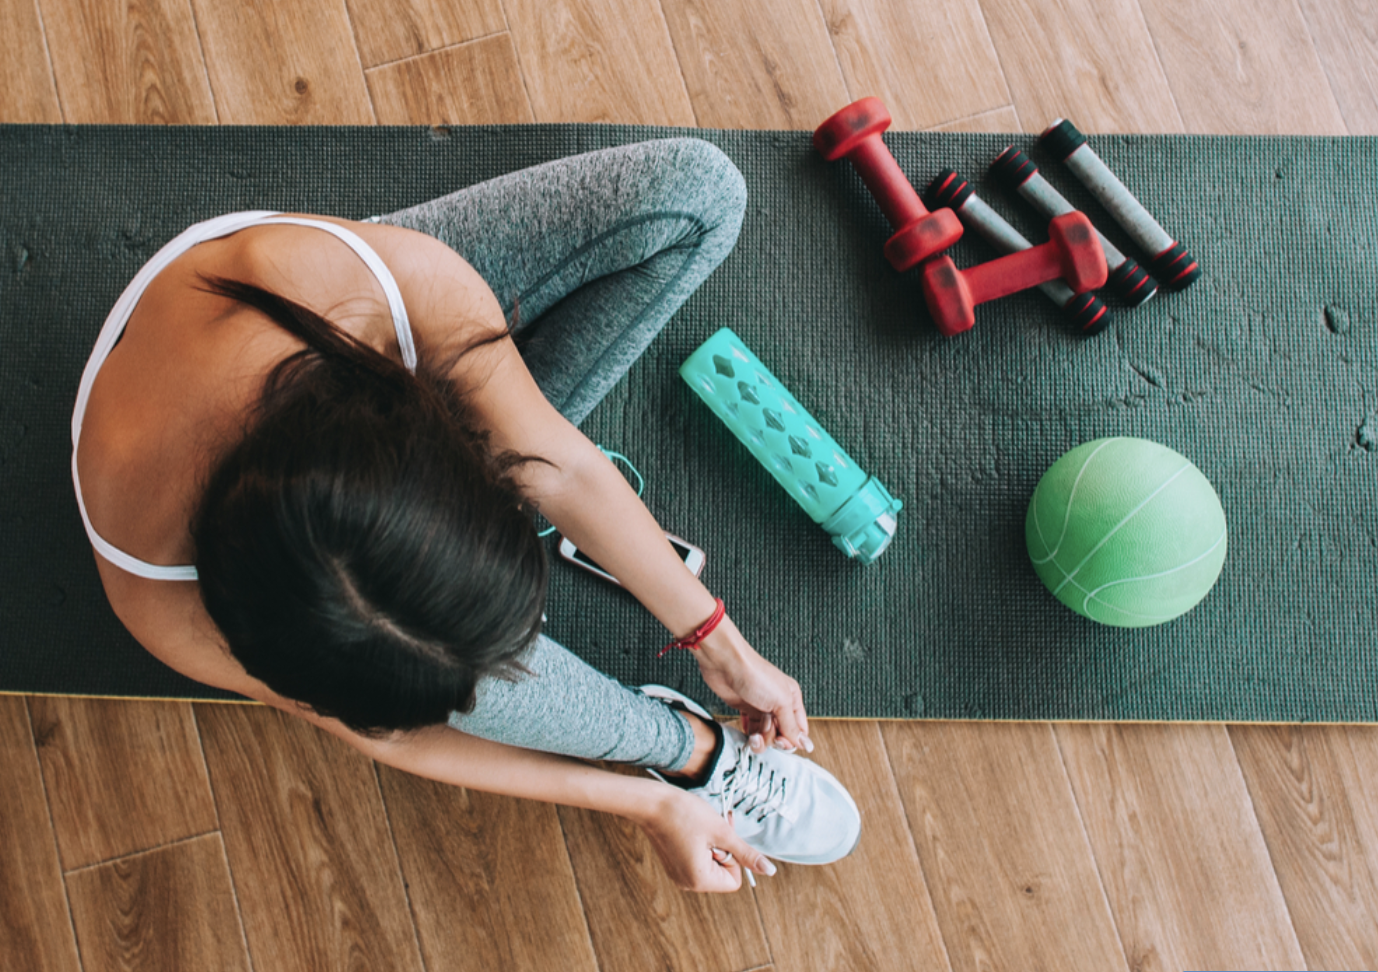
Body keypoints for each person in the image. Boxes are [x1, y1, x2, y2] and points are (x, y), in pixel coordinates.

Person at [72, 138, 860, 893]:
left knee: (697, 195)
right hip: (292, 418)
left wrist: (718, 640)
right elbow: (387, 733)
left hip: (324, 321)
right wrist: (652, 803)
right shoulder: (164, 608)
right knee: (443, 672)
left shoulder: (368, 285)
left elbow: (559, 464)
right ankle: (687, 749)